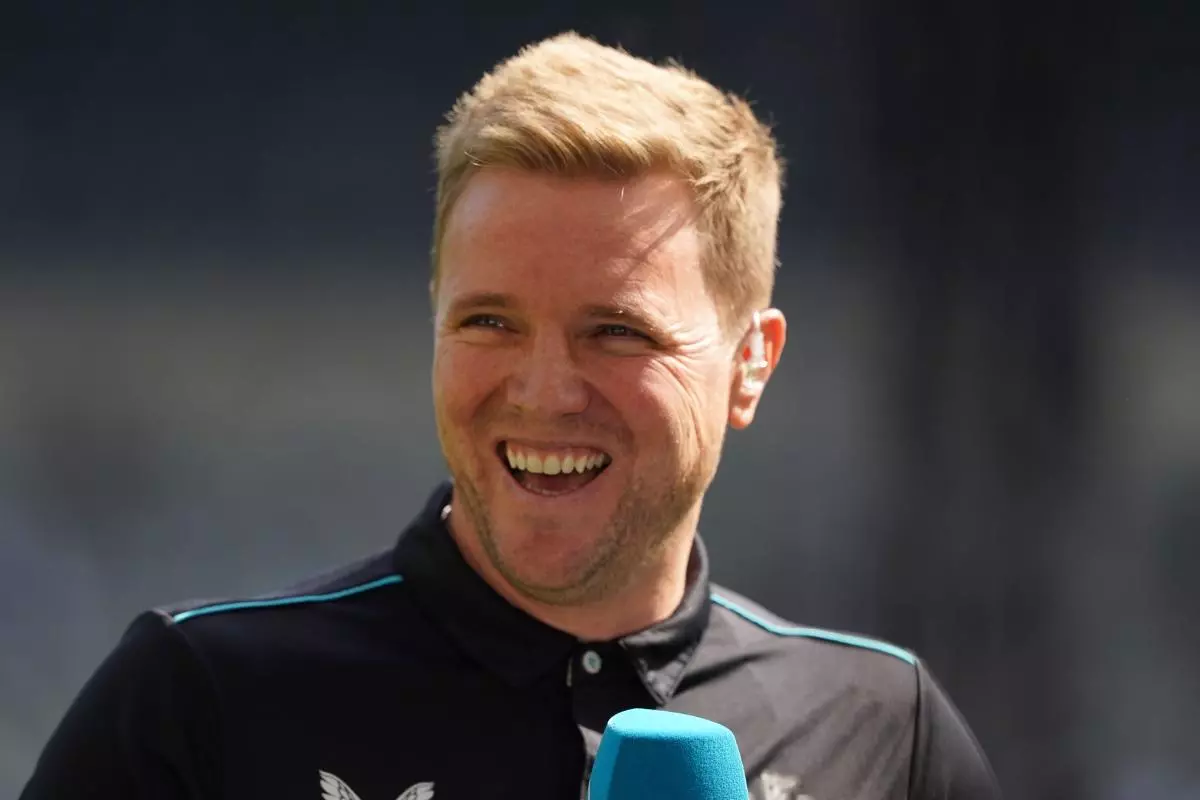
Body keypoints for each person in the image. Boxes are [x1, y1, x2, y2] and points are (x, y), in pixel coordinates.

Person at [20, 32, 1001, 800]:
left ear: (752, 366)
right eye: (490, 321)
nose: (542, 389)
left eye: (615, 331)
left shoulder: (887, 730)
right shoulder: (199, 703)